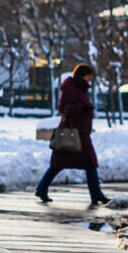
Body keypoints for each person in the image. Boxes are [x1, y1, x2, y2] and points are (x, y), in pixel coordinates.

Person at [36, 63, 108, 207]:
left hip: (80, 133)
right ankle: (42, 188)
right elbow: (63, 108)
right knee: (61, 164)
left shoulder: (79, 88)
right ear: (82, 75)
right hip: (73, 133)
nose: (90, 79)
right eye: (88, 76)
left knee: (87, 164)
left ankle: (96, 194)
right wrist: (83, 108)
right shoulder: (72, 88)